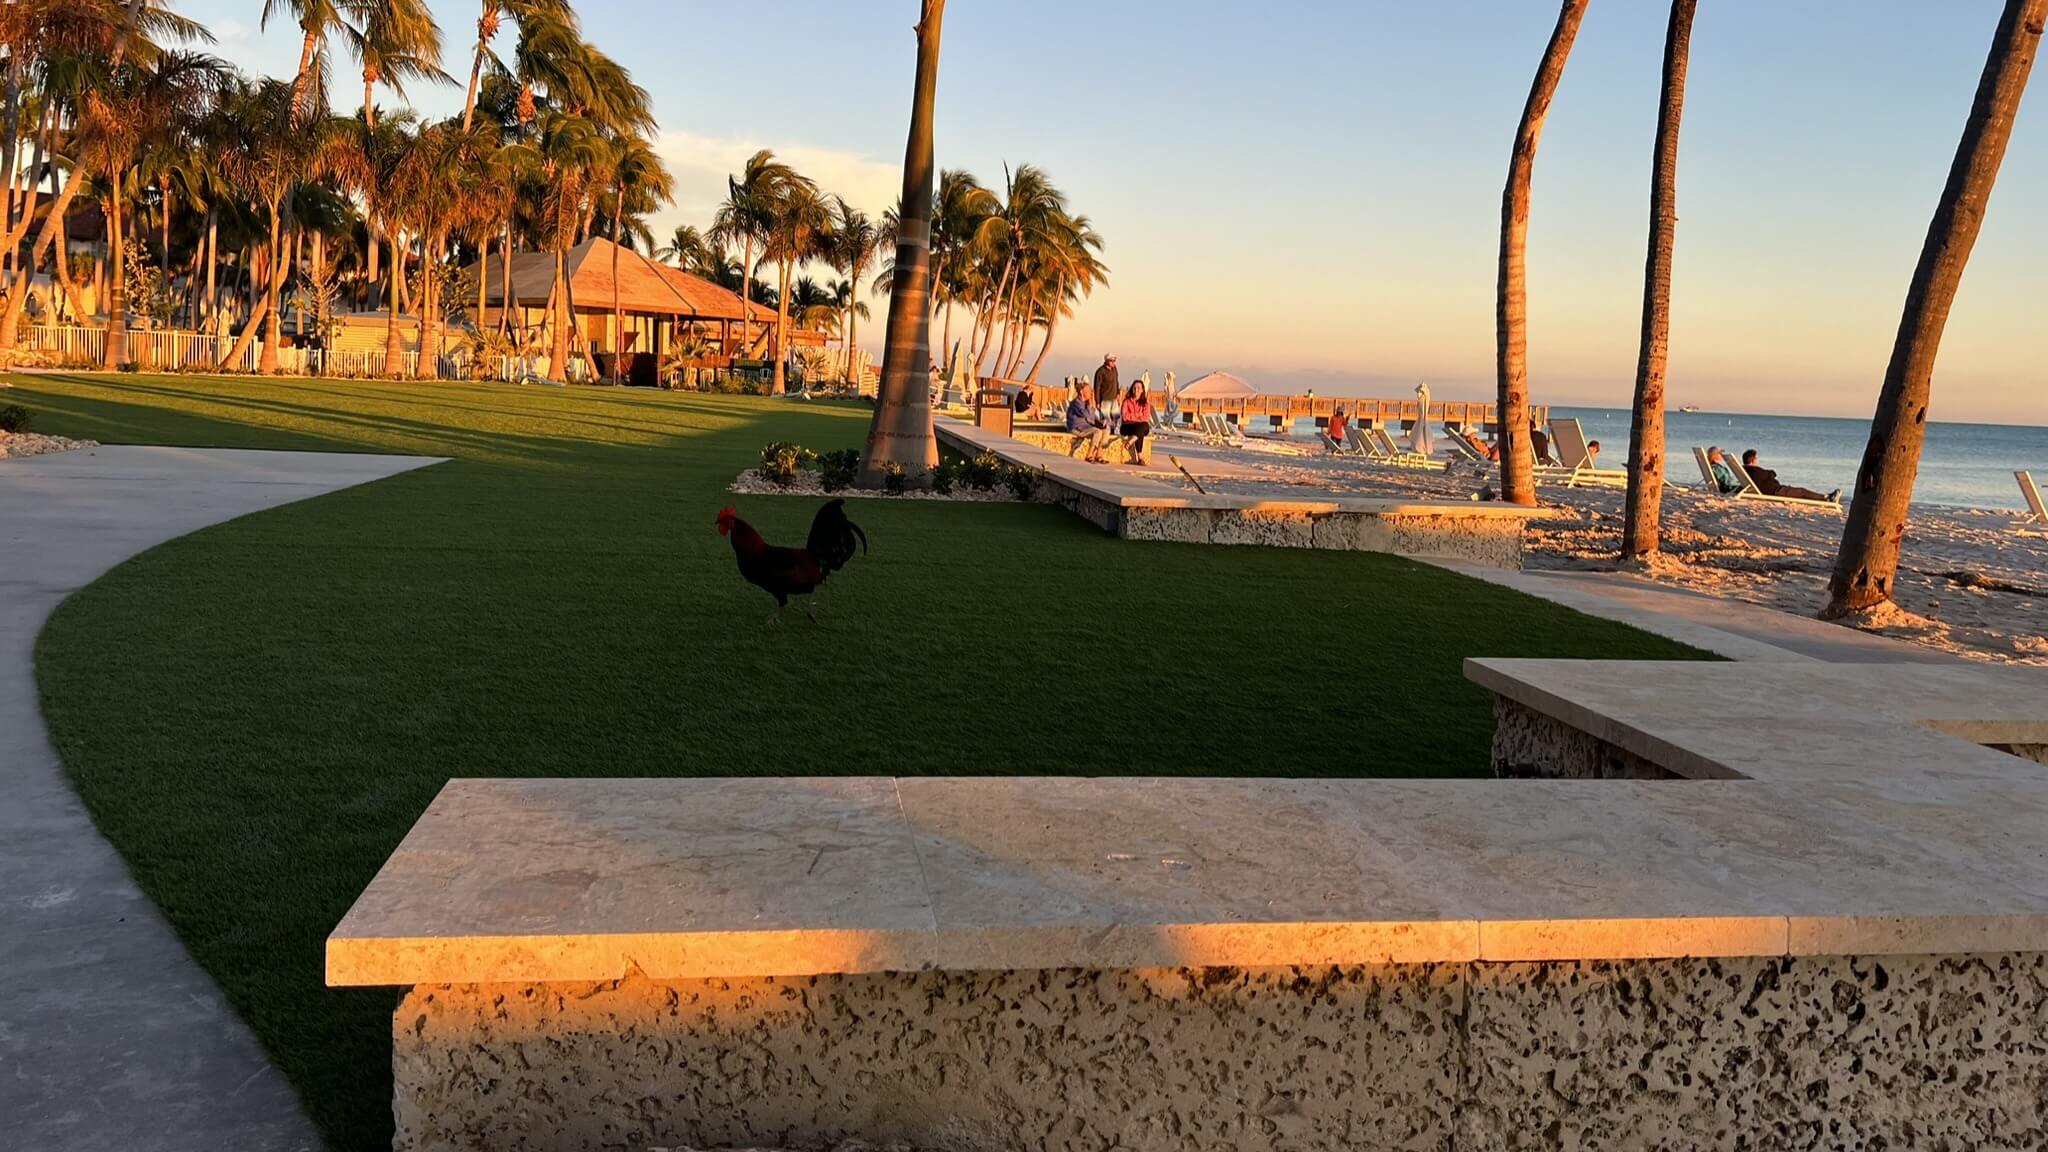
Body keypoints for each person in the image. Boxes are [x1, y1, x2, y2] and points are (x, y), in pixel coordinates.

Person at [1741, 449, 1838, 503]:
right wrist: (1770, 474)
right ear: (1752, 460)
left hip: (1776, 490)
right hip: (1777, 491)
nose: (1757, 460)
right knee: (1802, 491)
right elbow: (1772, 474)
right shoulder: (1755, 471)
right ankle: (1826, 497)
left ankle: (1824, 497)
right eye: (1756, 458)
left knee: (1799, 492)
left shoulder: (1746, 470)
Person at [1066, 387, 1112, 463]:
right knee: (1097, 432)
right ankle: (1089, 455)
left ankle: (1099, 454)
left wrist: (1102, 422)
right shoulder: (1076, 403)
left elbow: (1092, 417)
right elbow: (1086, 414)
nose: (1090, 393)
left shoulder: (1086, 403)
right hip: (1077, 428)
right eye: (1088, 391)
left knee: (1106, 430)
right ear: (1081, 392)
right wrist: (1090, 405)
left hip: (1086, 426)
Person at [1119, 380, 1155, 465]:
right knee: (1140, 430)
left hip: (1139, 427)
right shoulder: (1126, 401)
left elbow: (1146, 418)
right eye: (1134, 388)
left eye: (1138, 388)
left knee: (1144, 426)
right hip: (1127, 427)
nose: (1136, 390)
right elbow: (1125, 416)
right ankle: (1140, 458)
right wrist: (1138, 416)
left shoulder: (1145, 403)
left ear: (1142, 390)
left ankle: (1131, 442)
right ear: (1132, 389)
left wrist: (1133, 416)